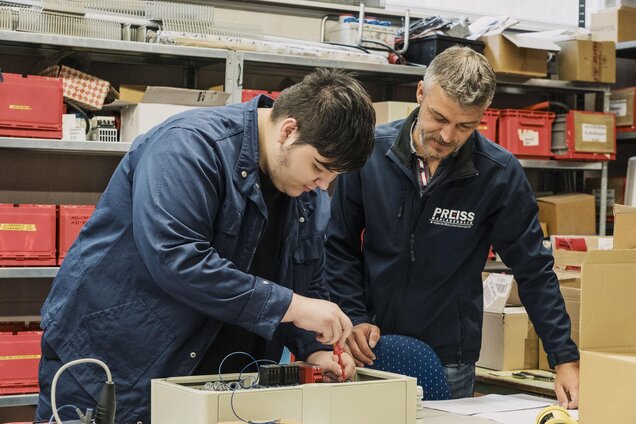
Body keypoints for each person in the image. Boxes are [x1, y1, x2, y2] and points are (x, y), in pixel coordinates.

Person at [36, 68, 376, 423]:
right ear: (289, 131)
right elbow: (178, 259)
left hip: (211, 383)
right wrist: (292, 306)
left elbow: (306, 282)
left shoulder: (304, 189)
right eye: (320, 167)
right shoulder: (189, 146)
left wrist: (316, 349)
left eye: (334, 176)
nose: (323, 185)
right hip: (115, 366)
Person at [325, 46, 580, 408]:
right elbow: (338, 246)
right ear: (420, 93)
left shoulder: (498, 174)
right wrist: (355, 315)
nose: (446, 136)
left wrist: (564, 358)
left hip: (448, 360)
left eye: (465, 126)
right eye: (439, 117)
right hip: (367, 349)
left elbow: (534, 270)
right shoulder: (369, 152)